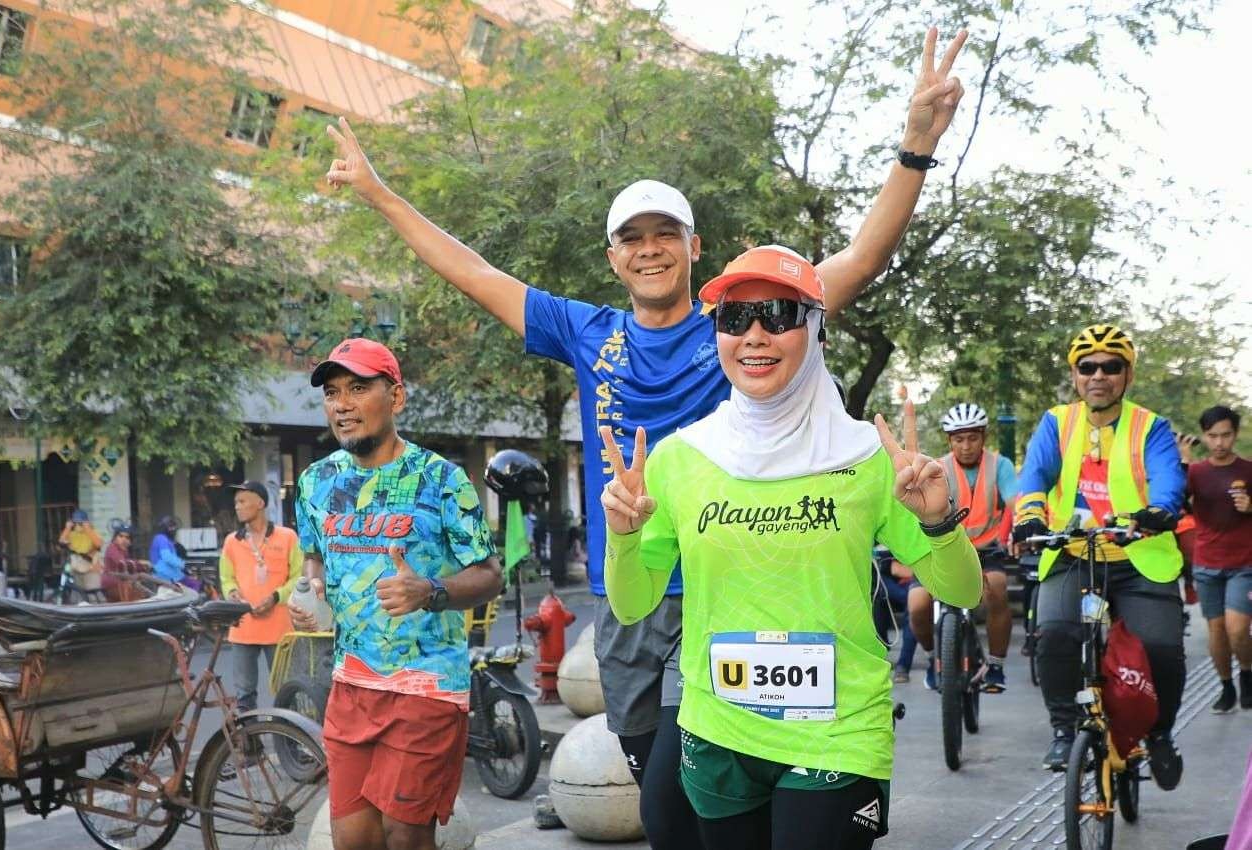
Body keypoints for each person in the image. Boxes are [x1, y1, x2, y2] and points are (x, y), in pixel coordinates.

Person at [322, 29, 967, 849]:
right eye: (632, 237)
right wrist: (380, 195)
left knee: (670, 806)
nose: (650, 247)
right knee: (669, 801)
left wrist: (914, 146)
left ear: (694, 248)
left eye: (666, 233)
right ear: (614, 258)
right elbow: (472, 271)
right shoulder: (585, 332)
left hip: (726, 583)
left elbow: (860, 259)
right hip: (631, 592)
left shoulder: (741, 321)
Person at [600, 245, 982, 850]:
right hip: (717, 729)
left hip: (837, 731)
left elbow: (962, 591)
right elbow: (631, 604)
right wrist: (621, 538)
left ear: (813, 330)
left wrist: (938, 523)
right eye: (734, 319)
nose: (754, 336)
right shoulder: (680, 458)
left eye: (777, 315)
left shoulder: (869, 458)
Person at [288, 338, 503, 850]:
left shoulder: (442, 479)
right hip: (351, 684)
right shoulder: (316, 482)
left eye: (358, 389)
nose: (342, 404)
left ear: (396, 397)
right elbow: (313, 556)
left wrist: (428, 589)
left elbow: (491, 574)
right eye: (333, 392)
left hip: (424, 684)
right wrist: (312, 587)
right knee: (352, 839)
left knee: (406, 838)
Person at [1011, 324, 1187, 786]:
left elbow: (1169, 480)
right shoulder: (1057, 422)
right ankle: (1064, 730)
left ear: (1127, 374)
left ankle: (1161, 733)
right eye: (1087, 367)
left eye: (1111, 366)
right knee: (1053, 633)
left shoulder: (1151, 426)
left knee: (1163, 647)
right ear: (1074, 375)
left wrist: (1157, 512)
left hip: (1139, 554)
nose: (1099, 375)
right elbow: (1034, 477)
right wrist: (1029, 516)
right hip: (1073, 553)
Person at [904, 403, 1017, 691]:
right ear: (949, 441)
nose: (966, 446)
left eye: (973, 438)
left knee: (997, 588)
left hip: (987, 547)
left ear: (984, 437)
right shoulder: (937, 467)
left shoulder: (999, 465)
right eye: (958, 439)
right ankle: (933, 657)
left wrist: (1008, 537)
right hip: (943, 548)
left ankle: (995, 665)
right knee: (917, 604)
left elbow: (1014, 504)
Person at [1185, 405, 1252, 713]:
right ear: (1204, 436)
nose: (1219, 443)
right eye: (1213, 436)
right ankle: (1226, 686)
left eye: (1226, 435)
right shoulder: (1196, 471)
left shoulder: (1249, 470)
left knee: (1237, 629)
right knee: (1216, 630)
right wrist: (1182, 464)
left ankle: (1248, 674)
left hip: (1244, 562)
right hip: (1207, 561)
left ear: (1235, 434)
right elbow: (1176, 501)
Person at [219, 481, 303, 713]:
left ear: (261, 503)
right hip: (242, 627)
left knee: (285, 690)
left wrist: (276, 597)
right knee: (244, 694)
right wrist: (233, 594)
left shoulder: (288, 537)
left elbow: (299, 577)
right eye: (236, 502)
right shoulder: (231, 542)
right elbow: (227, 578)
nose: (237, 506)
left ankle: (290, 745)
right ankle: (251, 746)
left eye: (243, 501)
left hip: (279, 630)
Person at [58, 508, 103, 593]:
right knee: (78, 593)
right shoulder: (72, 534)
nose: (78, 525)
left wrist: (87, 529)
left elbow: (99, 544)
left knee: (92, 592)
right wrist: (67, 528)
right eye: (76, 523)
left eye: (80, 523)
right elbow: (61, 542)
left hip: (90, 567)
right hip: (76, 568)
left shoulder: (92, 532)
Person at [101, 522, 148, 602]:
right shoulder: (112, 548)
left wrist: (142, 567)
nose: (124, 539)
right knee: (139, 597)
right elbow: (122, 563)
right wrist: (140, 563)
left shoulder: (124, 551)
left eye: (127, 537)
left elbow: (131, 564)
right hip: (113, 585)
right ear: (115, 538)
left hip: (121, 584)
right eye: (121, 536)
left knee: (144, 593)